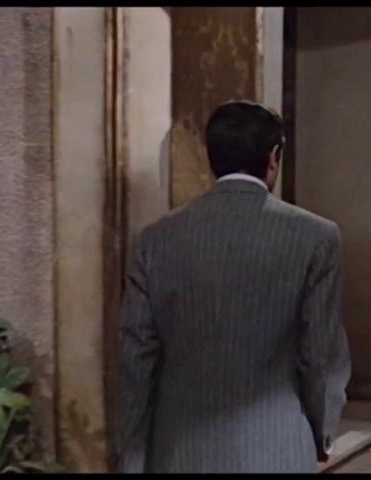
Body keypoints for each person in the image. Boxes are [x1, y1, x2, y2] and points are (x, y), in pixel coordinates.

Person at [115, 100, 351, 473]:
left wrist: (132, 458)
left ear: (212, 157)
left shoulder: (154, 239)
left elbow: (136, 361)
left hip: (180, 451)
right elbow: (320, 354)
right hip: (277, 448)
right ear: (274, 156)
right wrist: (322, 432)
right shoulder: (315, 236)